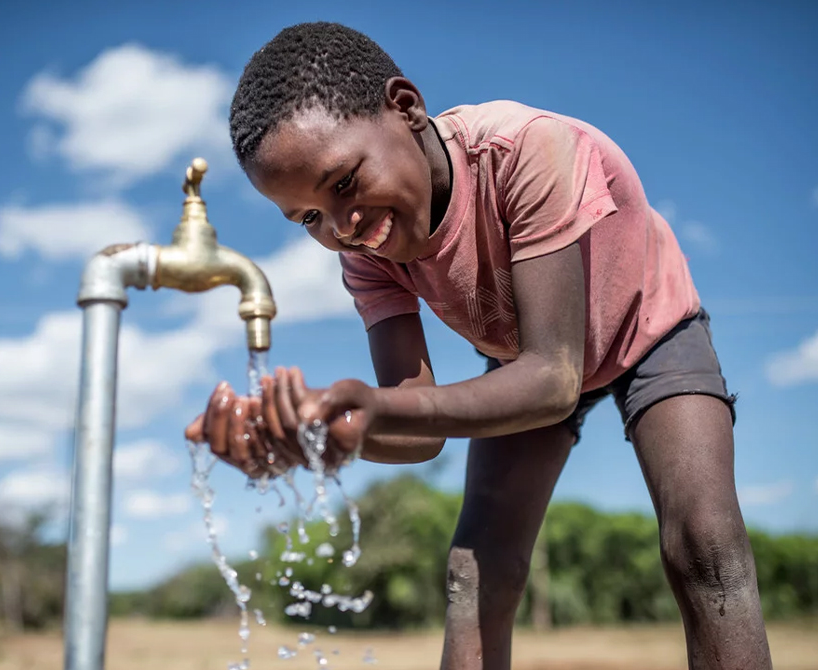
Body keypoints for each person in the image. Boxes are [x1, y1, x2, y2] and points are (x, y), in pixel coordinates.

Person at [185, 21, 773, 670]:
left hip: (648, 327)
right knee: (473, 570)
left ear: (405, 108)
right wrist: (315, 435)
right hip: (519, 359)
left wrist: (373, 408)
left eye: (345, 183)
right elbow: (418, 429)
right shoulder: (369, 254)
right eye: (308, 218)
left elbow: (552, 382)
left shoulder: (527, 151)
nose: (341, 227)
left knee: (703, 543)